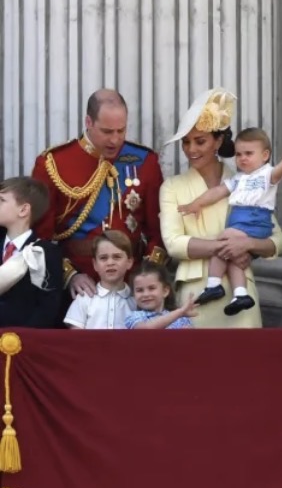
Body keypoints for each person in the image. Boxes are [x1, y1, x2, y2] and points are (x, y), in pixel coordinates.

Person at [159, 89, 282, 328]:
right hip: (195, 293)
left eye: (200, 141)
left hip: (242, 295)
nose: (191, 149)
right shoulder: (172, 187)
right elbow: (174, 244)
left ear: (218, 141)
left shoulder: (247, 181)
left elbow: (279, 241)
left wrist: (249, 244)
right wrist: (229, 247)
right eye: (186, 142)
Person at [31, 88, 165, 296]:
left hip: (133, 281)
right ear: (88, 122)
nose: (115, 140)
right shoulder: (53, 163)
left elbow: (159, 231)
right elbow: (39, 237)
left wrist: (147, 276)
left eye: (121, 131)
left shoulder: (145, 160)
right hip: (80, 281)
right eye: (107, 131)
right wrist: (69, 275)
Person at [177, 128, 282, 315]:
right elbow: (217, 192)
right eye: (238, 154)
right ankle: (241, 294)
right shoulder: (239, 179)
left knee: (224, 239)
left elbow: (276, 174)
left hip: (254, 219)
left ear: (265, 155)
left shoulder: (265, 174)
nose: (243, 158)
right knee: (233, 258)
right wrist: (197, 203)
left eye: (249, 154)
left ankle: (213, 284)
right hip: (242, 221)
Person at [0, 177, 64, 328]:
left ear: (23, 210)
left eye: (2, 200)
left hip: (23, 337)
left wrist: (23, 336)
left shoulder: (46, 253)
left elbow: (48, 307)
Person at [64, 231, 135, 329]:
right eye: (103, 258)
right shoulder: (84, 299)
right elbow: (76, 335)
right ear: (95, 264)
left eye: (117, 257)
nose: (110, 263)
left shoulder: (136, 300)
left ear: (129, 262)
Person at [125, 262, 197, 329]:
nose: (146, 294)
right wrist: (179, 312)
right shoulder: (134, 317)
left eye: (151, 288)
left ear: (165, 291)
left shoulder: (181, 319)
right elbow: (146, 329)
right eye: (140, 290)